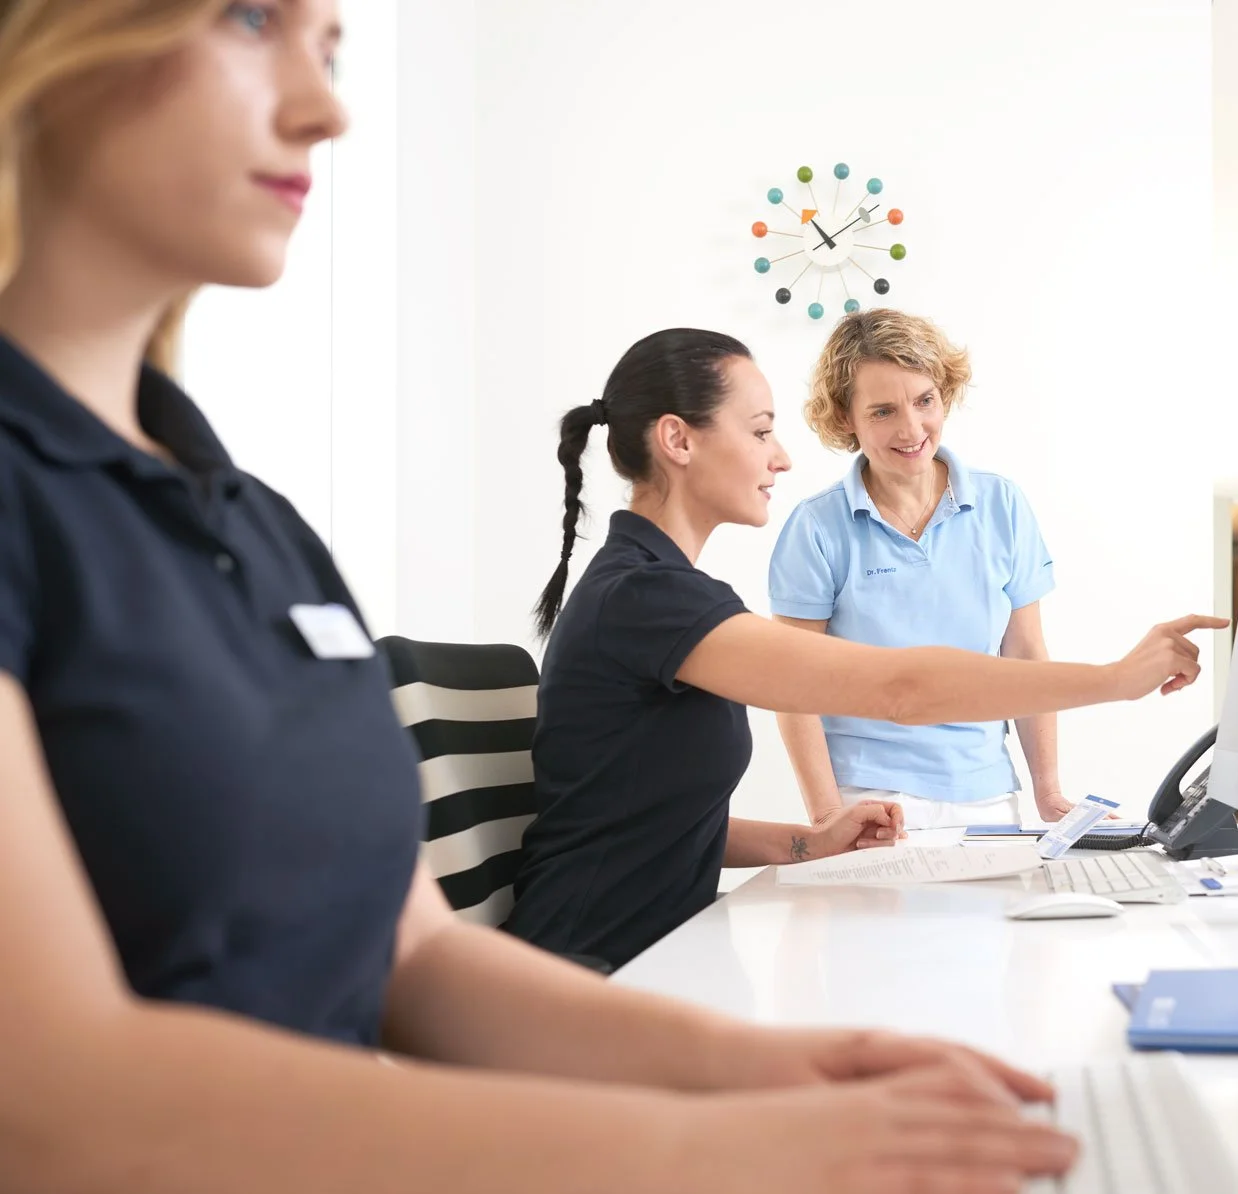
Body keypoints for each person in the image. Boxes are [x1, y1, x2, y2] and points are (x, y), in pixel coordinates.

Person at [0, 4, 1082, 1190]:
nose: (328, 108)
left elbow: (407, 955)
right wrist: (705, 1141)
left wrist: (765, 1069)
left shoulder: (250, 524)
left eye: (330, 48)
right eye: (251, 20)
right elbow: (51, 1100)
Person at [509, 328, 1225, 968]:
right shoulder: (648, 599)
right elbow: (900, 690)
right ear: (679, 440)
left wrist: (806, 844)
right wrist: (1116, 678)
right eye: (760, 432)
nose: (782, 458)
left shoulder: (658, 590)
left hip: (653, 949)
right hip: (597, 966)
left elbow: (654, 821)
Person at [769, 310, 1080, 830]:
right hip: (866, 797)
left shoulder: (1001, 504)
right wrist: (827, 816)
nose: (912, 429)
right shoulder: (816, 527)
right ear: (846, 417)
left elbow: (1024, 654)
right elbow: (792, 686)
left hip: (987, 794)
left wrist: (1048, 792)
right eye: (884, 411)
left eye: (924, 401)